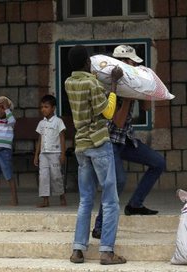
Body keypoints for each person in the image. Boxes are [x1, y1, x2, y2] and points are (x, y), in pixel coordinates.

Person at [92, 45, 166, 239]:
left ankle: (135, 204)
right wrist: (126, 97)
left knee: (158, 162)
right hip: (110, 142)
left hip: (127, 140)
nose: (134, 65)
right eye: (132, 62)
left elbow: (147, 110)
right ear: (123, 63)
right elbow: (116, 121)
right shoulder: (110, 87)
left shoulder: (129, 84)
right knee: (117, 181)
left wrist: (145, 89)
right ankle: (100, 225)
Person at [65, 44, 126, 265]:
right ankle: (107, 252)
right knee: (110, 201)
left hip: (81, 145)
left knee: (85, 200)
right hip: (99, 143)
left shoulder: (68, 83)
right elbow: (108, 113)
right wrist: (114, 85)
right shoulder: (92, 83)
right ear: (86, 63)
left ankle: (78, 250)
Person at [34, 94, 67, 207]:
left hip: (55, 153)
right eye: (42, 107)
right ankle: (45, 200)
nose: (43, 109)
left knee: (56, 176)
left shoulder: (58, 121)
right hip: (43, 154)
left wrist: (63, 154)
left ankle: (61, 195)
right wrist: (36, 155)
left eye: (46, 106)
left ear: (53, 108)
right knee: (43, 176)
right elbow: (40, 139)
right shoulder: (41, 123)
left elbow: (62, 137)